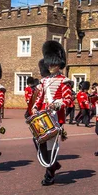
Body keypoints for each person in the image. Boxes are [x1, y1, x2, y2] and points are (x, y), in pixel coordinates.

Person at [31, 41, 73, 186]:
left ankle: (50, 174)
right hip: (42, 116)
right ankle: (52, 165)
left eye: (52, 63)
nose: (50, 66)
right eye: (49, 63)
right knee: (38, 141)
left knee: (51, 147)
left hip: (55, 117)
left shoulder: (64, 81)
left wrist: (57, 104)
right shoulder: (44, 81)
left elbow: (67, 99)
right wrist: (35, 108)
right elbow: (39, 97)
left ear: (58, 63)